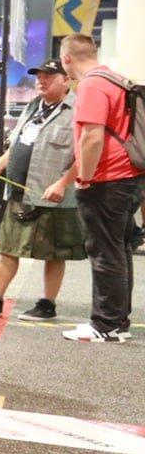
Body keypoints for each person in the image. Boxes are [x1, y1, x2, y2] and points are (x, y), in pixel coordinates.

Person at [0, 59, 84, 321]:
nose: (41, 81)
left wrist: (62, 184)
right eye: (39, 77)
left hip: (54, 196)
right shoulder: (33, 106)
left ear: (66, 80)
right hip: (20, 193)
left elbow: (86, 154)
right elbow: (18, 143)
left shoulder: (77, 109)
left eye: (49, 77)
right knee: (7, 248)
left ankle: (47, 304)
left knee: (54, 254)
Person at [59, 34, 145, 342]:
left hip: (108, 180)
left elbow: (92, 137)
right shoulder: (117, 79)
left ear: (67, 58)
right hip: (130, 176)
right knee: (118, 250)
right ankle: (117, 322)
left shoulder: (93, 84)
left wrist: (85, 176)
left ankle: (105, 325)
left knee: (105, 252)